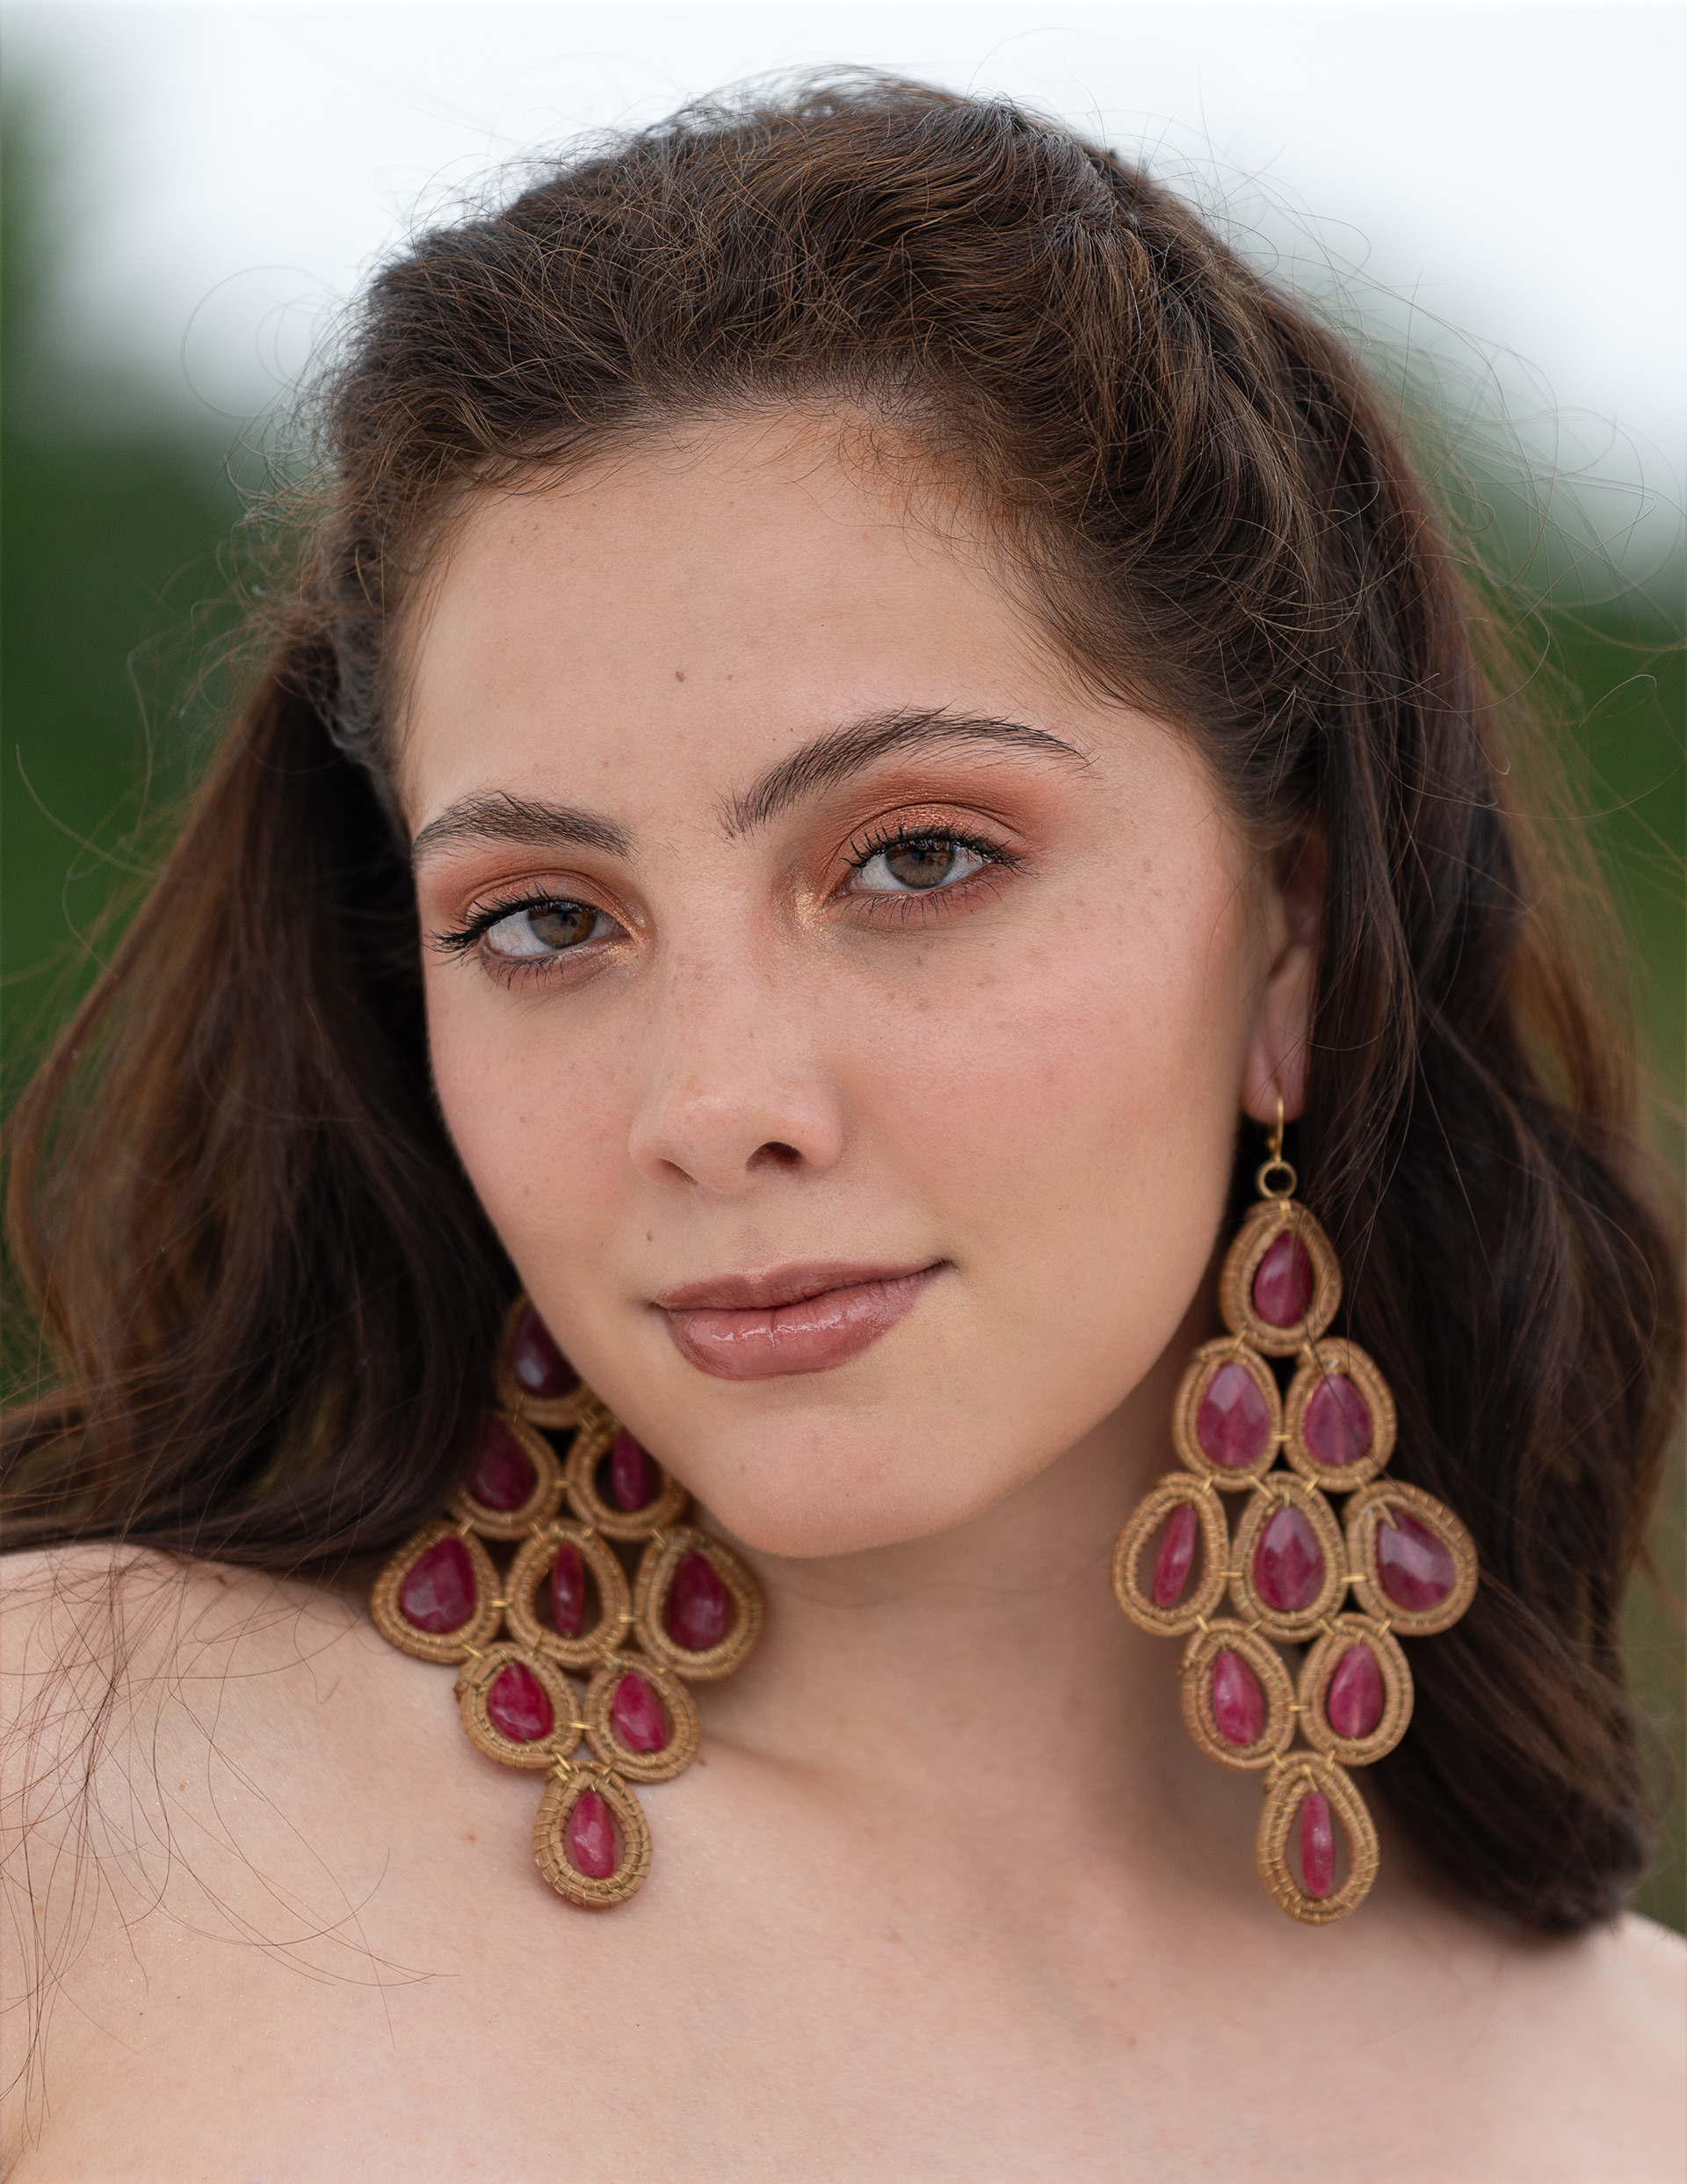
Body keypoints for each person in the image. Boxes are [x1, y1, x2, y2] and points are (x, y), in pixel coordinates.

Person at [2, 76, 1682, 2181]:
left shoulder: (1635, 2098)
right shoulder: (71, 1798)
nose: (714, 1108)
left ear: (1293, 943)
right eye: (542, 919)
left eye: (919, 861)